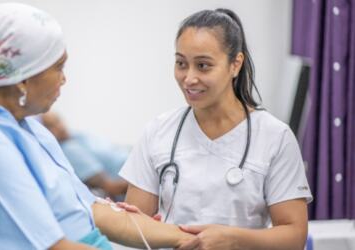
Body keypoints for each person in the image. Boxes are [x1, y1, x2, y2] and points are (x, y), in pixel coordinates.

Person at [0, 3, 197, 250]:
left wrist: (190, 238)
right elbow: (54, 246)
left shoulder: (27, 128)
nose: (64, 80)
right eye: (58, 67)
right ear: (22, 78)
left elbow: (90, 211)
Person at [119, 8, 313, 250]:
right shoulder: (159, 131)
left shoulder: (275, 137)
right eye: (181, 63)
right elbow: (135, 226)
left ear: (235, 64)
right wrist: (124, 220)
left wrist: (233, 240)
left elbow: (294, 235)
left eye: (203, 66)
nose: (188, 78)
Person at [42, 112, 128, 198]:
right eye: (50, 126)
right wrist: (138, 179)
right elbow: (112, 188)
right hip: (131, 182)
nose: (59, 127)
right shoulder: (69, 151)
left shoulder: (78, 136)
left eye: (58, 121)